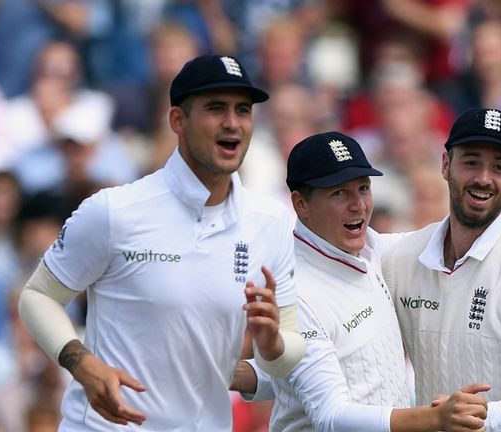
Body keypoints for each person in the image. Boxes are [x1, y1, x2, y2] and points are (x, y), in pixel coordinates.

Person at [16, 54, 305, 431]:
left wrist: (272, 347)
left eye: (243, 110)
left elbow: (290, 351)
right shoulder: (114, 210)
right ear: (177, 121)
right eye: (216, 108)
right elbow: (37, 296)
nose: (232, 123)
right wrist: (82, 363)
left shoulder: (272, 222)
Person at [231, 129, 501, 431]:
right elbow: (331, 415)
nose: (358, 206)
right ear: (300, 205)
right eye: (338, 193)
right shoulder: (297, 285)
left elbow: (297, 371)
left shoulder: (373, 252)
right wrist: (435, 420)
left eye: (363, 188)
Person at [381, 108, 501, 431]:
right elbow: (334, 246)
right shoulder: (399, 256)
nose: (483, 178)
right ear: (445, 165)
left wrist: (475, 418)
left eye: (499, 167)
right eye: (471, 161)